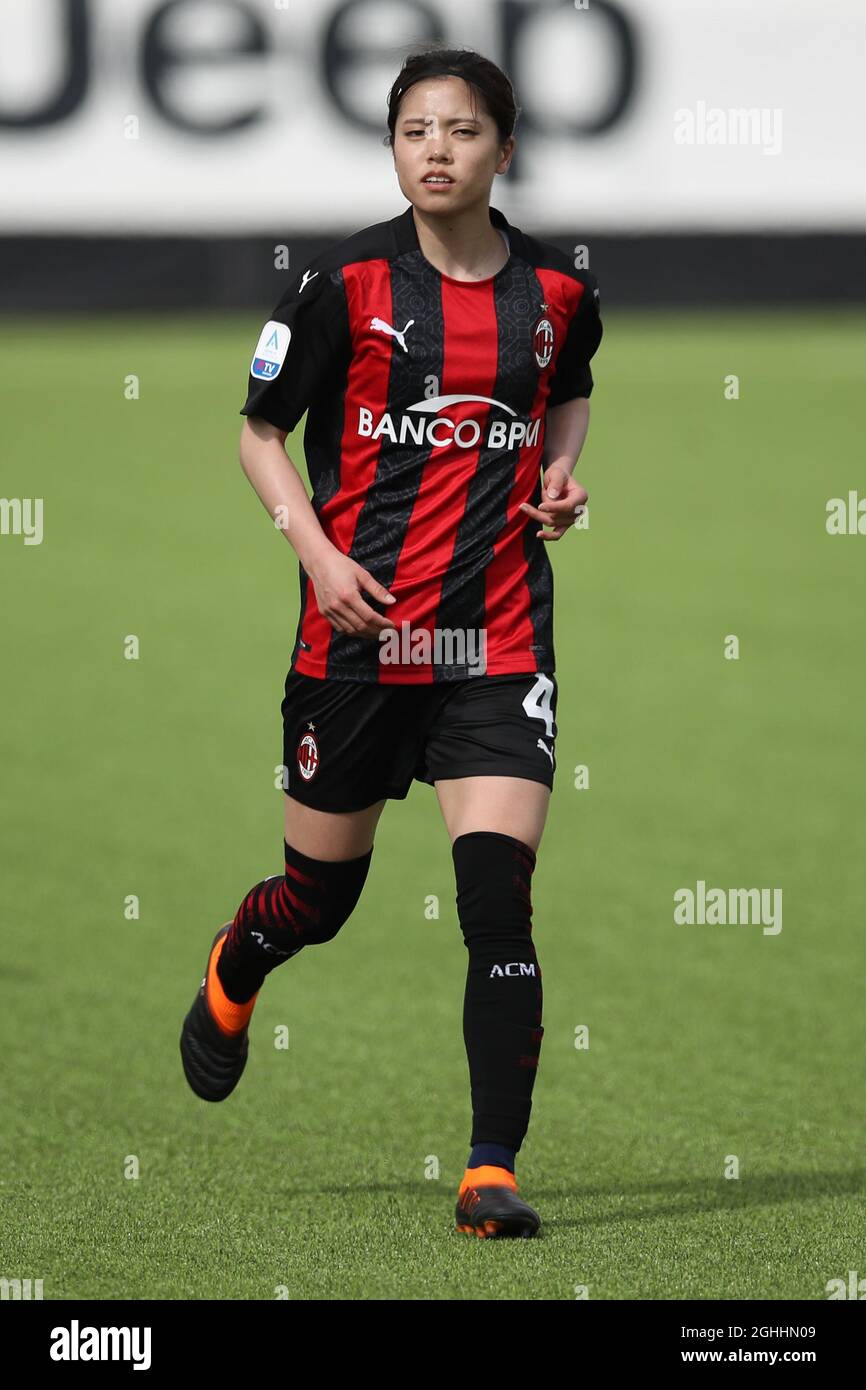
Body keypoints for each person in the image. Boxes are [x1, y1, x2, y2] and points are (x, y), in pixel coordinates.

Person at [180, 44, 602, 1240]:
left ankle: (486, 1169)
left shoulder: (556, 293)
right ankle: (236, 962)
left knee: (496, 905)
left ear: (502, 149)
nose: (436, 149)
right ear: (391, 144)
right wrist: (314, 553)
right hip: (354, 645)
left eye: (461, 130)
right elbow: (260, 430)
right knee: (317, 901)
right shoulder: (342, 285)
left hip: (495, 641)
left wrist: (562, 473)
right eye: (415, 128)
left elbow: (564, 387)